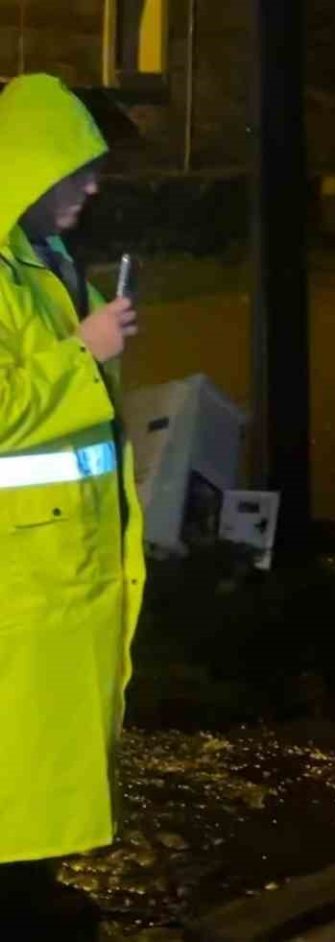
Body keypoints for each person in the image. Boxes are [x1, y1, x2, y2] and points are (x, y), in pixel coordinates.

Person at [0, 74, 146, 937]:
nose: (92, 188)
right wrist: (85, 354)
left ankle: (31, 890)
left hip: (59, 564)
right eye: (78, 171)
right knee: (19, 747)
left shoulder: (44, 263)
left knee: (46, 750)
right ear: (27, 167)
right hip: (24, 571)